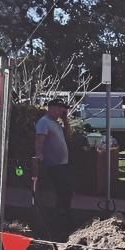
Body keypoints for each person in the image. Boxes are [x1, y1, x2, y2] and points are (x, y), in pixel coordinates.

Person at [33, 99, 73, 233]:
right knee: (61, 190)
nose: (62, 111)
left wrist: (65, 120)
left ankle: (64, 214)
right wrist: (39, 155)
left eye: (63, 110)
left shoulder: (55, 123)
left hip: (62, 164)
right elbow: (39, 140)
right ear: (51, 108)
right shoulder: (44, 122)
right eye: (60, 109)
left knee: (67, 190)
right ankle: (59, 216)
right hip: (53, 165)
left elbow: (68, 135)